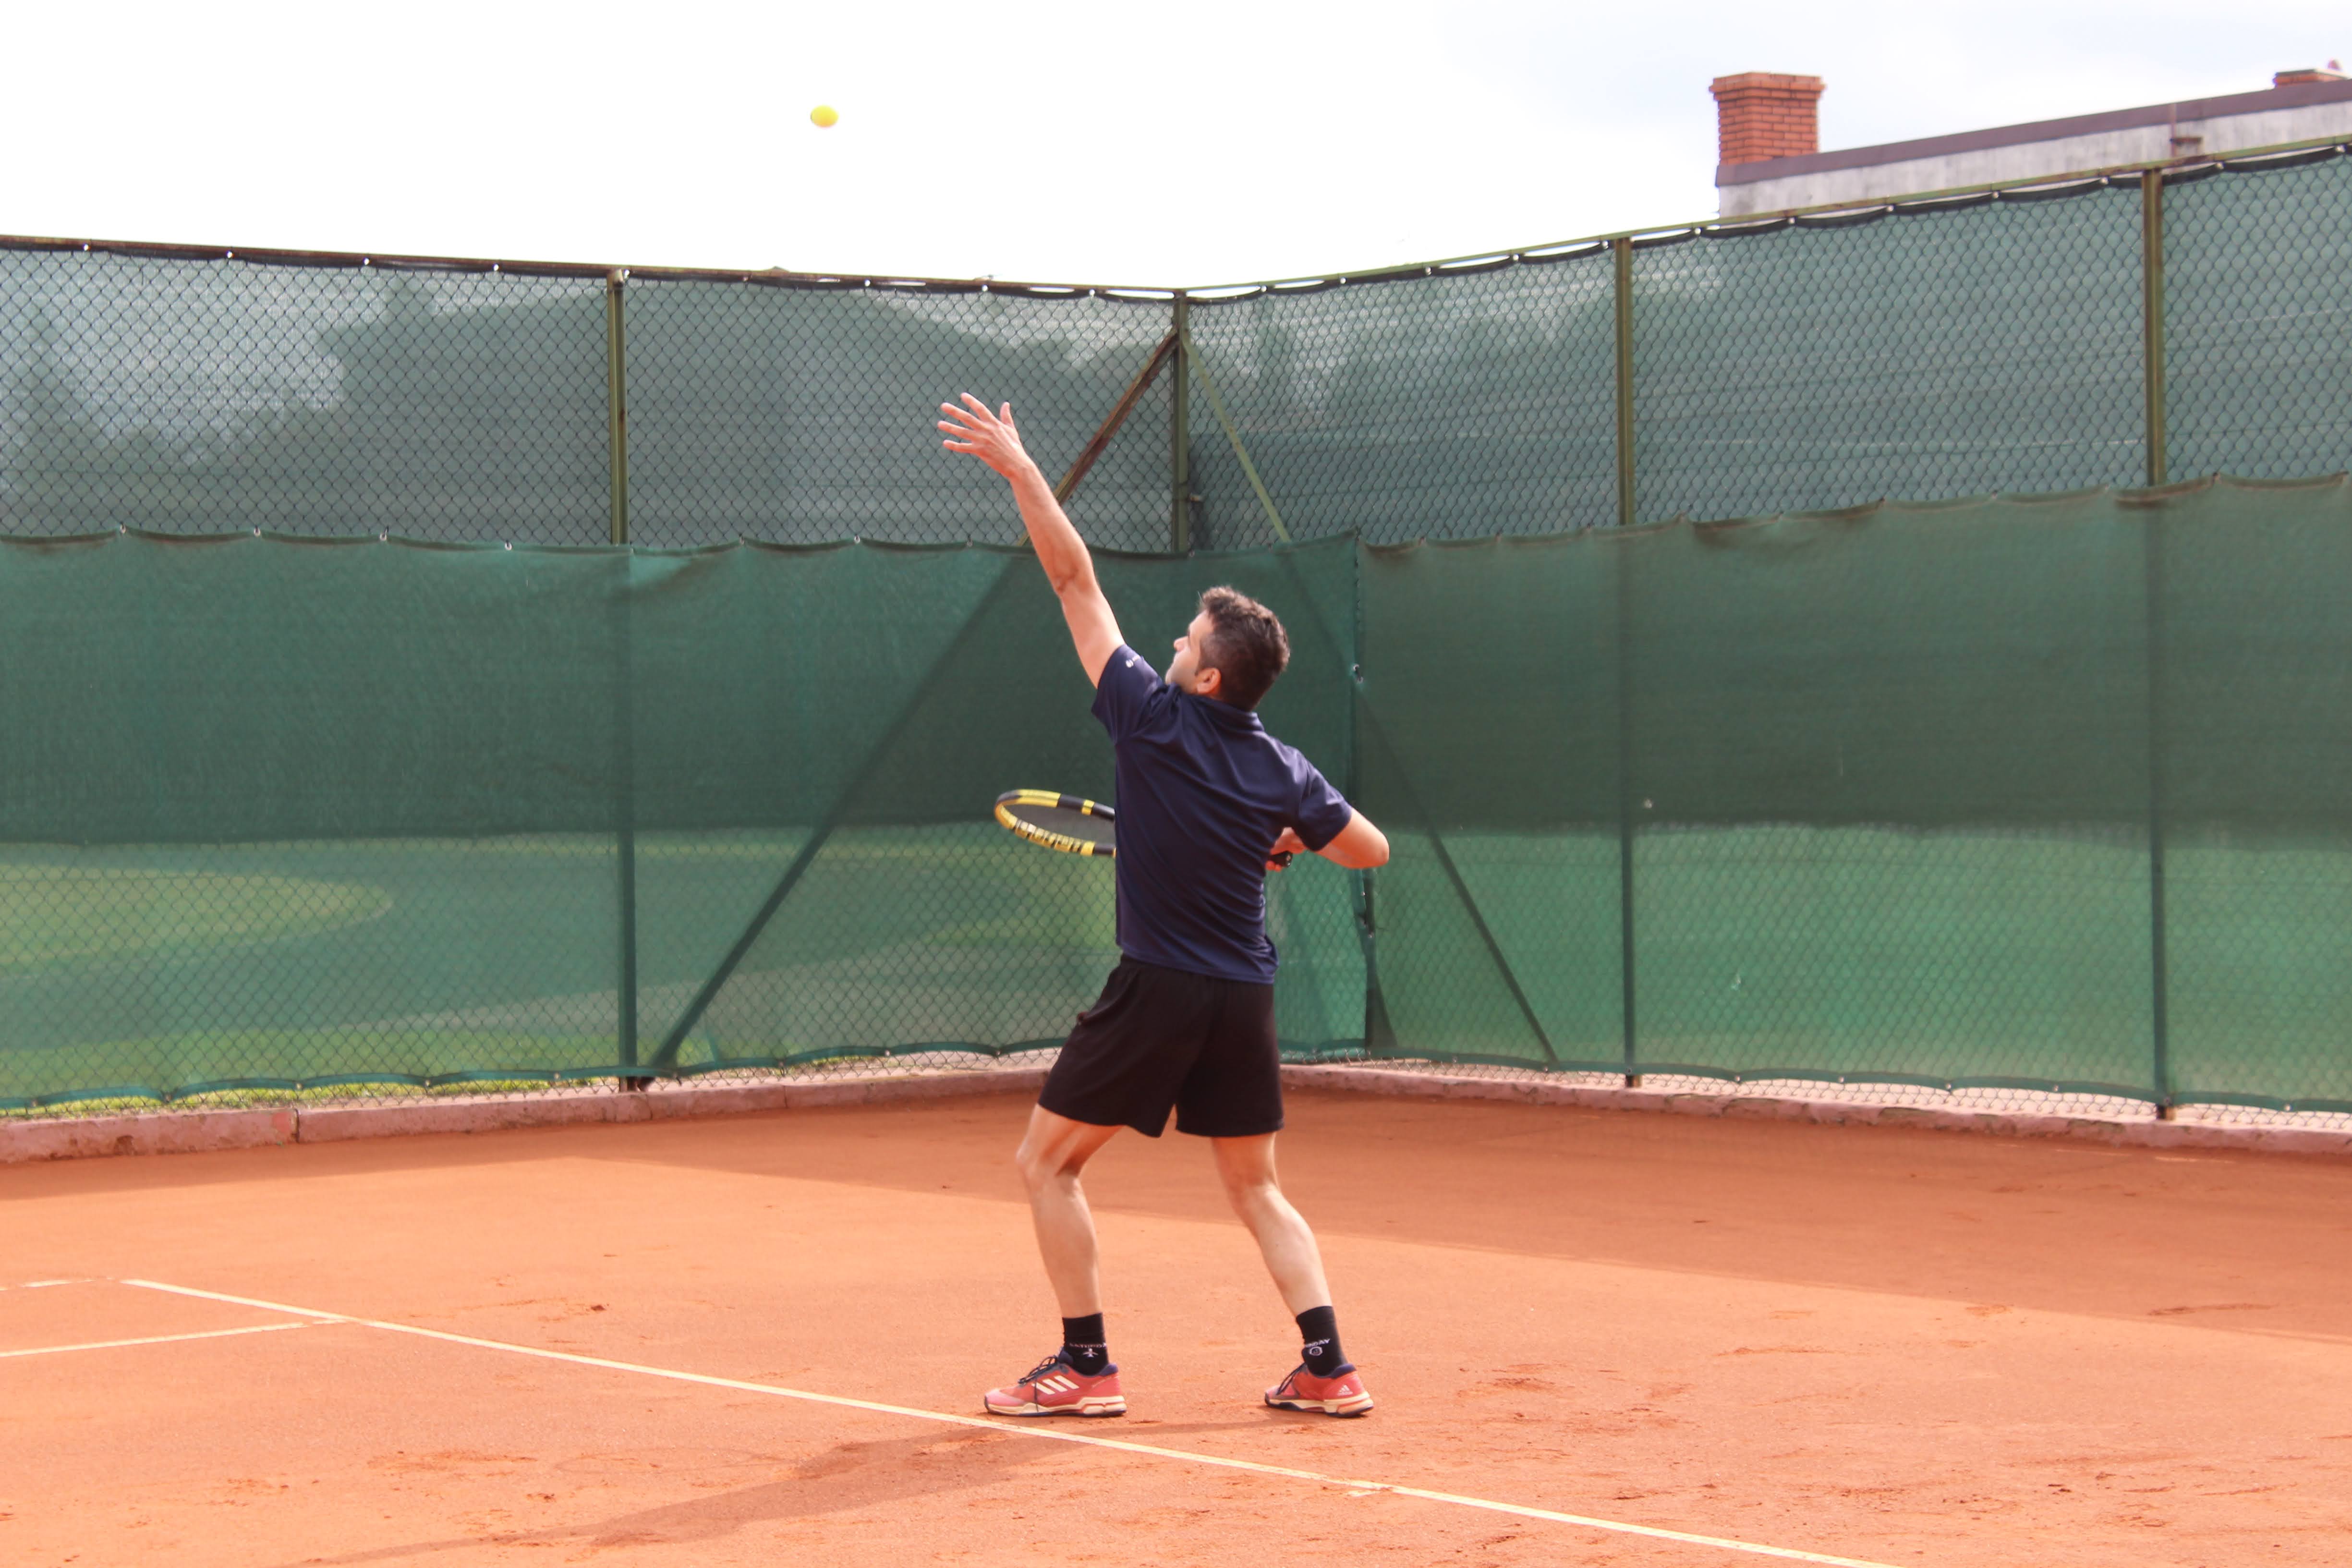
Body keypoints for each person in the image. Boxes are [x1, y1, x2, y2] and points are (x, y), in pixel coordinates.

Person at [938, 394, 1391, 1422]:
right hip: (1243, 996)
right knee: (1256, 1186)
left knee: (1045, 1164)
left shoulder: (1147, 715)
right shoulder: (1283, 767)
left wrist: (1021, 470)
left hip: (1159, 988)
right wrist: (1286, 838)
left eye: (1185, 641)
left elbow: (1073, 579)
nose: (1171, 645)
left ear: (1209, 675)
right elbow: (1369, 847)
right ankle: (1329, 1364)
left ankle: (1086, 1365)